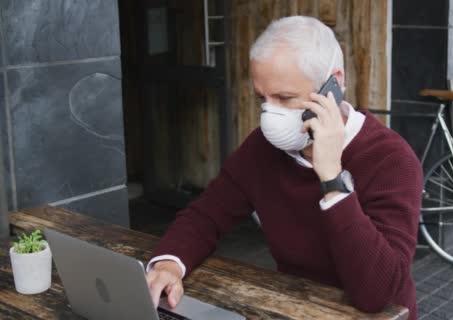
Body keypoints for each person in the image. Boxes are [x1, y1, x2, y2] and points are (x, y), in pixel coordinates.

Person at [145, 15, 422, 318]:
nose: (270, 115)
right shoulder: (262, 149)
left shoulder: (391, 159)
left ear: (334, 85)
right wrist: (169, 263)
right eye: (262, 99)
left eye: (285, 98)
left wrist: (332, 178)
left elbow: (377, 293)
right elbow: (207, 213)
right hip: (294, 309)